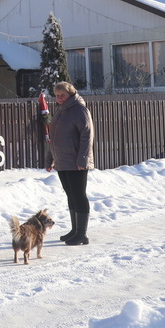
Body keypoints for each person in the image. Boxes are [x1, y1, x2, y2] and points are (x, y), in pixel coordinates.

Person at [46, 81, 94, 245]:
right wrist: (50, 159)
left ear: (70, 94)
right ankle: (75, 230)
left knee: (79, 195)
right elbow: (53, 139)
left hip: (76, 162)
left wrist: (82, 159)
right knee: (71, 195)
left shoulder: (79, 110)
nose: (59, 98)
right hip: (62, 161)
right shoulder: (61, 111)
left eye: (62, 95)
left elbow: (87, 136)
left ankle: (82, 234)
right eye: (57, 95)